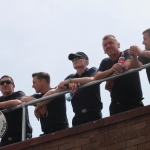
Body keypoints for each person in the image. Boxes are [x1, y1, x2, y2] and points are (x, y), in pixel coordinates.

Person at [93, 34, 144, 115]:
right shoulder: (105, 62)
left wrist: (111, 78)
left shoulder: (127, 53)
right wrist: (111, 70)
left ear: (118, 45)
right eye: (105, 45)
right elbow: (96, 77)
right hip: (115, 106)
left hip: (133, 104)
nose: (108, 46)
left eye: (111, 43)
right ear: (104, 50)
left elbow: (127, 66)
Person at [58, 52, 103, 126]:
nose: (74, 60)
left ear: (87, 61)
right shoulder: (71, 76)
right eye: (73, 59)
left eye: (78, 58)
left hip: (93, 114)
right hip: (77, 116)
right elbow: (58, 90)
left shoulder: (92, 70)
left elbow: (92, 79)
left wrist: (71, 81)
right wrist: (64, 85)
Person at [0, 75, 32, 147]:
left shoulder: (19, 94)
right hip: (5, 141)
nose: (4, 84)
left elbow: (17, 102)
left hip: (22, 137)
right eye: (1, 83)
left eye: (8, 82)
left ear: (13, 86)